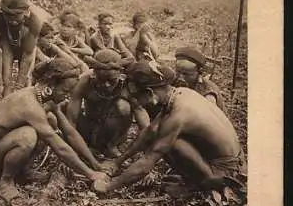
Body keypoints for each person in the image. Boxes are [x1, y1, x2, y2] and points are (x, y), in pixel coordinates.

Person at [92, 61, 245, 197]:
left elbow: (147, 162)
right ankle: (198, 180)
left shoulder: (179, 115)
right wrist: (117, 162)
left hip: (228, 175)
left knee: (170, 142)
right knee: (163, 135)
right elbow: (151, 131)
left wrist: (109, 186)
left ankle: (202, 185)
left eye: (137, 98)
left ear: (150, 93)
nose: (137, 103)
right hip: (234, 164)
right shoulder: (180, 94)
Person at [0, 58, 108, 202]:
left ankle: (22, 172)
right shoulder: (29, 104)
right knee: (28, 135)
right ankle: (5, 182)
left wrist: (94, 163)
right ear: (50, 86)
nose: (67, 96)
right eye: (65, 91)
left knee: (50, 119)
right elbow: (59, 147)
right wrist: (90, 174)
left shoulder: (45, 99)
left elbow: (69, 131)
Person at [66, 49, 151, 158]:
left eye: (111, 80)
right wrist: (74, 146)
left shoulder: (126, 85)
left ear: (120, 74)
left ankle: (111, 145)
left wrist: (149, 142)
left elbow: (141, 113)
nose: (106, 85)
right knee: (63, 106)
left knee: (123, 105)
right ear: (94, 73)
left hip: (115, 133)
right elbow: (71, 119)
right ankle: (89, 145)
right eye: (101, 80)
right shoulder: (84, 82)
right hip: (90, 128)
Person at [0, 0, 55, 98]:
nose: (13, 21)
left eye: (16, 16)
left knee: (25, 80)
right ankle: (6, 97)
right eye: (9, 16)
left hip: (26, 32)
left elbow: (27, 54)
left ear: (26, 12)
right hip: (5, 35)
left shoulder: (35, 18)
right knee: (6, 79)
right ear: (2, 11)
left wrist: (19, 86)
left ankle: (23, 96)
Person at [173, 46, 226, 112]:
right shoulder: (175, 81)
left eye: (186, 74)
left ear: (199, 74)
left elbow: (206, 120)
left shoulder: (208, 95)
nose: (180, 77)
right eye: (178, 72)